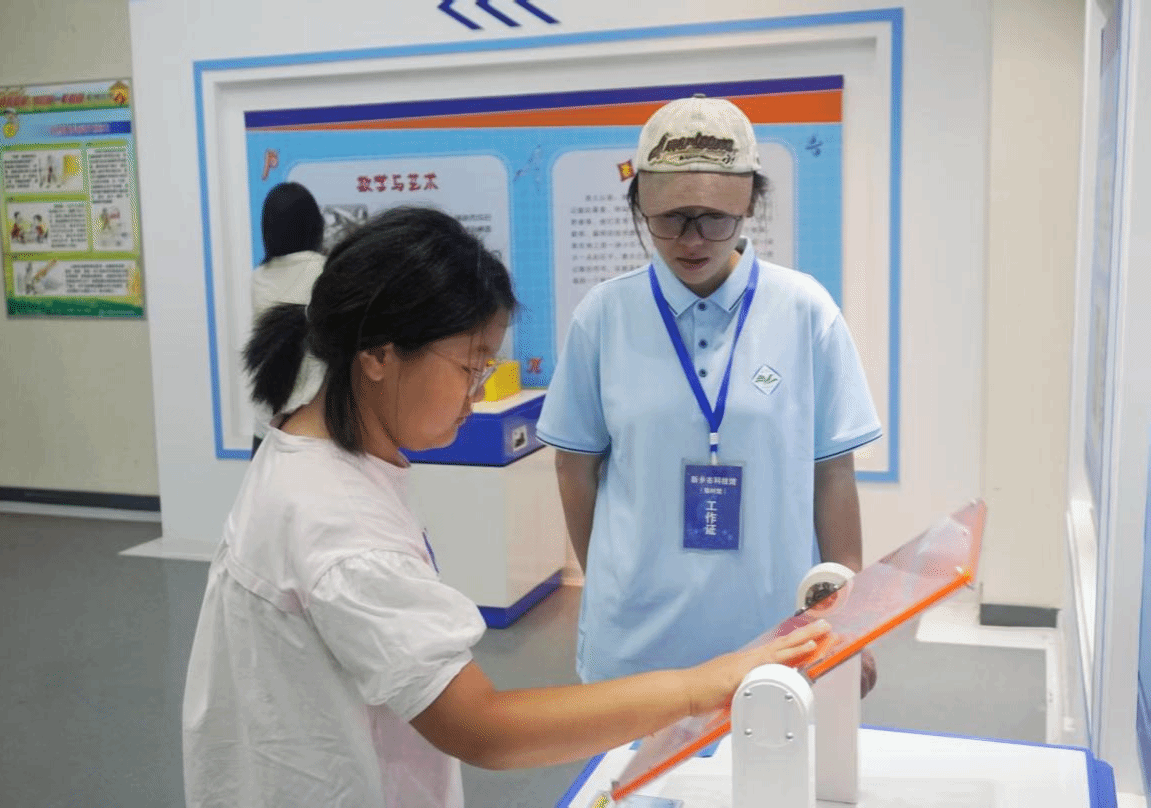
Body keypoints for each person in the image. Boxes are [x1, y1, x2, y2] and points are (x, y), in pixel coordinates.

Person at [182, 206, 829, 808]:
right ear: (378, 354)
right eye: (470, 367)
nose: (477, 393)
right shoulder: (339, 528)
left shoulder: (305, 446)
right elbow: (483, 727)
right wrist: (700, 686)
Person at [537, 95, 882, 690]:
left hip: (771, 631)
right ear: (641, 206)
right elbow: (575, 467)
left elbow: (832, 474)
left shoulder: (804, 311)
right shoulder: (604, 316)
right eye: (670, 219)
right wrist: (609, 586)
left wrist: (848, 615)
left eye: (714, 219)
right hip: (636, 641)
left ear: (749, 206)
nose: (691, 241)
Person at [249, 181, 328, 454]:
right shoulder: (325, 272)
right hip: (311, 427)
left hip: (267, 427)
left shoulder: (258, 279)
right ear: (314, 225)